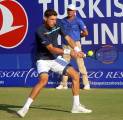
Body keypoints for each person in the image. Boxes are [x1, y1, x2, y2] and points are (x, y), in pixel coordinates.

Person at [17, 9, 92, 117]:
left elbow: (68, 38)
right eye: (51, 19)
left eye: (55, 19)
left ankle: (76, 106)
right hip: (43, 60)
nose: (54, 21)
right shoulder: (40, 31)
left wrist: (76, 49)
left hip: (55, 59)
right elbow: (51, 49)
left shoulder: (58, 26)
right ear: (45, 18)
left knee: (75, 75)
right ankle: (25, 108)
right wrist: (69, 52)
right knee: (44, 80)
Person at [56, 4, 90, 90]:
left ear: (75, 11)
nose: (69, 11)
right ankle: (64, 84)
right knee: (64, 65)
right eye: (68, 10)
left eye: (71, 10)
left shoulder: (78, 20)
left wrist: (77, 37)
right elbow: (60, 32)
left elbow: (85, 33)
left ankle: (86, 84)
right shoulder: (62, 21)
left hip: (76, 45)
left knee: (80, 64)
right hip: (65, 46)